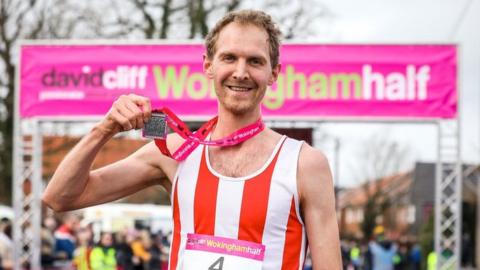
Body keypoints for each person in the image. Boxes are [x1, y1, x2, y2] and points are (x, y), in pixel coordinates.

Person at [43, 9, 341, 269]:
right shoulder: (173, 152)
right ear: (208, 65)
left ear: (273, 73)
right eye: (229, 58)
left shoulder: (305, 164)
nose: (240, 72)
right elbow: (60, 198)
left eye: (255, 61)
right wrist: (104, 129)